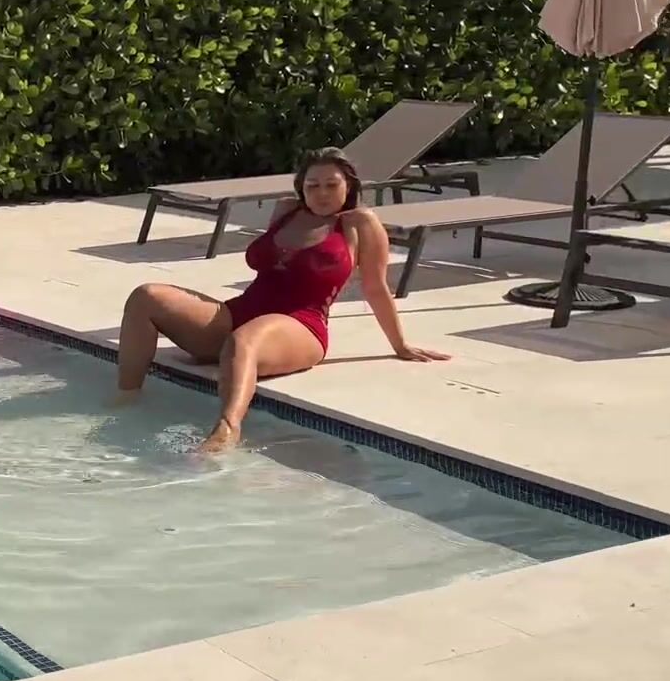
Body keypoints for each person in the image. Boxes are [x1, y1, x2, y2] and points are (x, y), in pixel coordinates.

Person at [113, 146, 450, 452]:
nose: (322, 193)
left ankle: (226, 431)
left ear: (348, 185)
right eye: (313, 185)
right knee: (146, 296)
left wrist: (400, 345)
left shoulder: (359, 223)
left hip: (301, 324)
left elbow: (375, 288)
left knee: (244, 341)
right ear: (301, 187)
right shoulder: (287, 210)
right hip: (241, 311)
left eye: (331, 185)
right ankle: (125, 400)